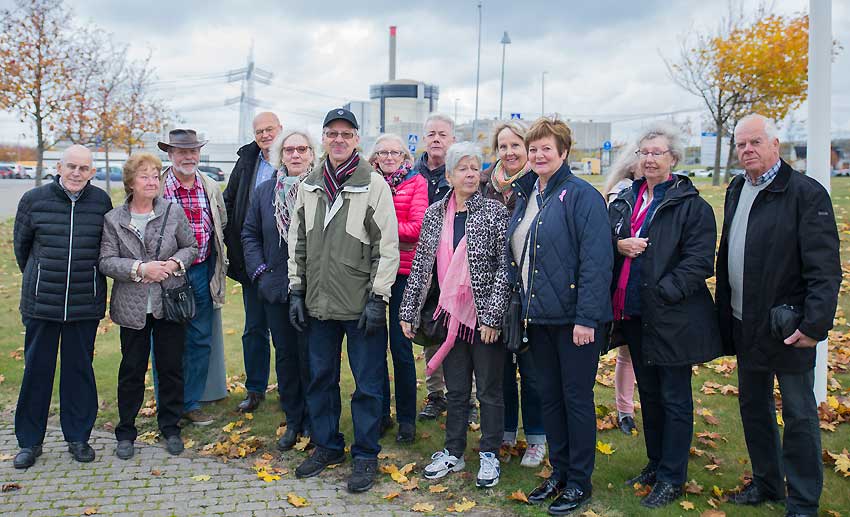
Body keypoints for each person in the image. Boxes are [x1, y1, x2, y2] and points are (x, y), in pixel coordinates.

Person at [716, 114, 840, 517]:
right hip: (744, 321)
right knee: (753, 407)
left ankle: (803, 500)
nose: (747, 150)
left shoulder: (805, 193)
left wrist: (813, 325)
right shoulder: (738, 188)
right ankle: (767, 484)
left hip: (787, 327)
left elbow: (824, 268)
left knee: (799, 414)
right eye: (741, 145)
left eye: (755, 142)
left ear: (775, 145)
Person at [609, 122, 722, 509]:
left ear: (673, 158)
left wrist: (665, 290)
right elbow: (606, 241)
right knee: (651, 395)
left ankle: (673, 477)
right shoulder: (626, 199)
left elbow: (698, 262)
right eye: (644, 152)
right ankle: (655, 465)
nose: (650, 158)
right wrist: (617, 244)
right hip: (635, 315)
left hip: (672, 316)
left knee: (674, 398)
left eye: (658, 152)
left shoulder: (691, 205)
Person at [288, 108, 399, 493]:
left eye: (346, 134)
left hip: (360, 304)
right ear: (324, 138)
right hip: (319, 303)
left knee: (367, 384)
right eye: (331, 133)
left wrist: (378, 297)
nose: (338, 140)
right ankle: (327, 445)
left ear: (356, 139)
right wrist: (296, 289)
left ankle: (366, 454)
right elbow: (297, 241)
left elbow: (387, 247)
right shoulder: (310, 185)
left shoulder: (374, 185)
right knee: (320, 379)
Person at [507, 118, 612, 515]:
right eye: (533, 149)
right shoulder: (530, 193)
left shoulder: (582, 196)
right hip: (539, 318)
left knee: (575, 400)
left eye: (545, 149)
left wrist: (587, 318)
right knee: (549, 398)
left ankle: (579, 481)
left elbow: (596, 262)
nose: (537, 155)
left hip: (575, 322)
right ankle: (560, 471)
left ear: (564, 152)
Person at [400, 142, 510, 488]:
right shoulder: (435, 213)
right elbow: (421, 266)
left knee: (489, 390)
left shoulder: (494, 213)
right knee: (457, 389)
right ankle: (453, 451)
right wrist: (409, 310)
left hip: (483, 320)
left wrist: (492, 317)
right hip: (450, 319)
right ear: (448, 175)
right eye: (462, 168)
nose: (470, 174)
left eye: (475, 168)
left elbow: (504, 270)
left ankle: (490, 454)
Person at [12, 145, 113, 469]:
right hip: (43, 302)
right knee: (36, 372)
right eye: (71, 166)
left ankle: (78, 437)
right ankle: (30, 442)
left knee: (79, 372)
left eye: (83, 168)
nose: (76, 173)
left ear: (92, 172)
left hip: (84, 304)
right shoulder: (33, 200)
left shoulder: (101, 203)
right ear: (59, 166)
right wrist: (40, 277)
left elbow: (105, 248)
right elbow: (22, 248)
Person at [99, 152, 198, 460]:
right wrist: (140, 269)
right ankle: (126, 431)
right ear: (131, 182)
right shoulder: (113, 219)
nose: (152, 181)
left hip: (169, 304)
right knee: (131, 370)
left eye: (156, 175)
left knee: (170, 368)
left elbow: (191, 246)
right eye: (145, 176)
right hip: (132, 307)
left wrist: (172, 264)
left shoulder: (173, 211)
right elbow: (105, 261)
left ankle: (171, 427)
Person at [241, 129, 315, 451]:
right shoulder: (264, 191)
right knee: (285, 356)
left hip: (314, 290)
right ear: (279, 156)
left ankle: (315, 420)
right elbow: (249, 233)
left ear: (312, 153)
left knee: (312, 357)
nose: (295, 155)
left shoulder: (322, 190)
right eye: (289, 150)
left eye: (301, 149)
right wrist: (260, 272)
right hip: (276, 289)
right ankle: (293, 419)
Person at [481, 121, 547, 468]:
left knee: (532, 368)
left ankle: (536, 437)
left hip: (528, 288)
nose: (509, 152)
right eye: (503, 146)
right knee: (498, 368)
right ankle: (505, 431)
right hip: (491, 289)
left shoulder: (537, 184)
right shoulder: (484, 186)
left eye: (515, 146)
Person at [157, 129, 228, 426]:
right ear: (170, 155)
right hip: (165, 273)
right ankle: (167, 404)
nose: (188, 156)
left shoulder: (209, 186)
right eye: (181, 151)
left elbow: (220, 226)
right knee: (167, 341)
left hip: (200, 270)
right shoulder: (157, 185)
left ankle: (191, 402)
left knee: (200, 339)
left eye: (193, 151)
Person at [368, 134, 428, 444]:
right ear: (375, 156)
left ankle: (407, 419)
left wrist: (382, 231)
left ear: (404, 155)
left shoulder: (416, 182)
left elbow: (417, 227)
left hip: (404, 273)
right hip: (374, 272)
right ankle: (380, 415)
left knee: (401, 349)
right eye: (383, 152)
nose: (389, 157)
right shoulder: (367, 180)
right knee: (374, 348)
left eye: (395, 152)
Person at [224, 112, 283, 413]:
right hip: (251, 258)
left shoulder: (292, 159)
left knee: (286, 330)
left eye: (269, 129)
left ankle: (289, 389)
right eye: (259, 131)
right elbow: (230, 201)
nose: (264, 135)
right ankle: (255, 389)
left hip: (284, 261)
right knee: (254, 328)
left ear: (280, 129)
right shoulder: (247, 160)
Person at [413, 113, 456, 421]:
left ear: (451, 139)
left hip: (454, 263)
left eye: (442, 134)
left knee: (462, 330)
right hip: (422, 263)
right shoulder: (413, 175)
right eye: (431, 134)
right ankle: (435, 393)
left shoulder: (459, 172)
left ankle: (464, 397)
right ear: (423, 139)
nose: (437, 139)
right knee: (431, 330)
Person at [600, 146, 642, 436]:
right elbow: (609, 236)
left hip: (645, 285)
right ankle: (625, 409)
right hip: (619, 285)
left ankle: (631, 409)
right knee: (626, 352)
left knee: (638, 353)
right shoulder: (621, 193)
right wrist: (619, 244)